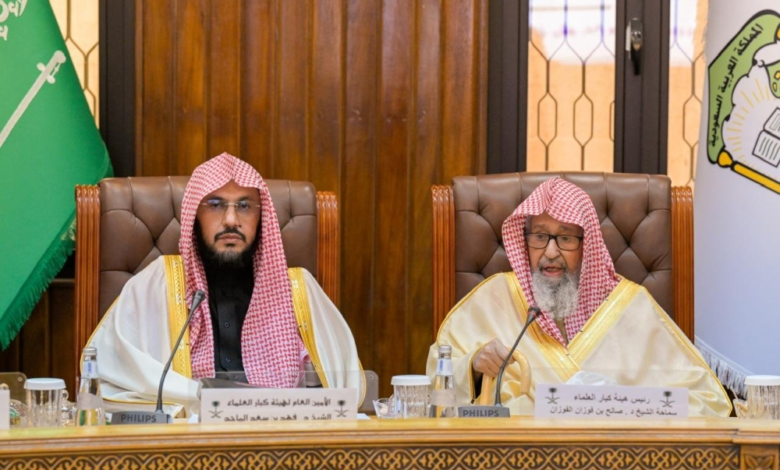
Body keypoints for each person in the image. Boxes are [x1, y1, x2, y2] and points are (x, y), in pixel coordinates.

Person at [427, 177, 730, 417]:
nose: (550, 252)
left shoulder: (632, 308)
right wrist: (473, 367)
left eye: (566, 238)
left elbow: (708, 401)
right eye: (540, 236)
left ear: (588, 246)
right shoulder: (494, 299)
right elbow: (431, 392)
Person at [90, 153, 363, 415]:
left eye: (244, 206)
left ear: (261, 217)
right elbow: (108, 376)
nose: (231, 220)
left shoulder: (299, 291)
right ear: (194, 216)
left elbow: (342, 393)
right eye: (216, 205)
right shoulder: (156, 284)